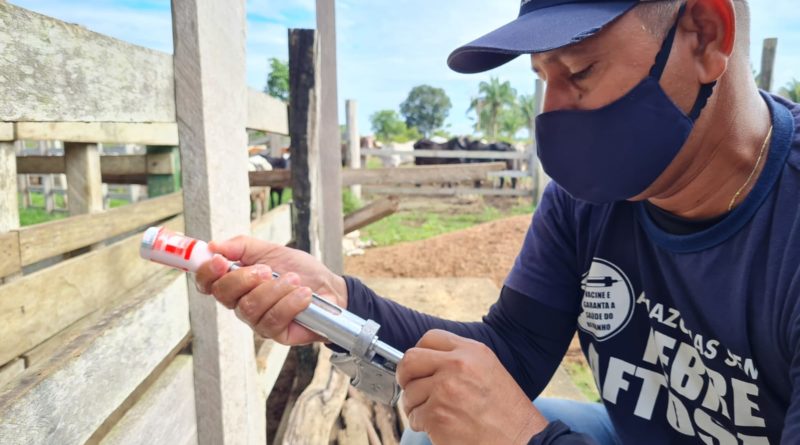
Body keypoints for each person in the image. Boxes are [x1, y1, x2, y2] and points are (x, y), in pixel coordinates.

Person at [196, 0, 800, 443]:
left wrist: (527, 438)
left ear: (704, 34)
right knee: (439, 424)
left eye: (580, 72)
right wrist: (338, 302)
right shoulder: (588, 198)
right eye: (542, 79)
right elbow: (515, 347)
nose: (553, 113)